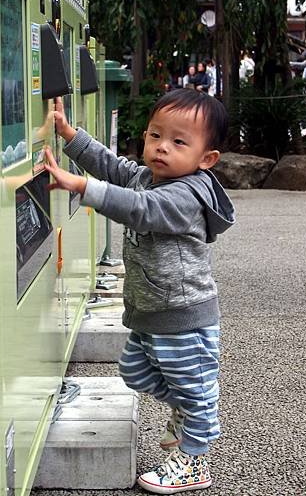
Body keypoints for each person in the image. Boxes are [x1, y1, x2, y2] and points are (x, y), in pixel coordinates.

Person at [44, 90, 235, 494]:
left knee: (196, 391)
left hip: (185, 316)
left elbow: (138, 208)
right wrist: (69, 135)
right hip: (151, 312)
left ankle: (194, 458)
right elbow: (113, 167)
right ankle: (186, 408)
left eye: (179, 141)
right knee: (133, 370)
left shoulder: (186, 195)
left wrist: (80, 186)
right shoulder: (148, 176)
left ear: (207, 159)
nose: (162, 147)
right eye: (155, 135)